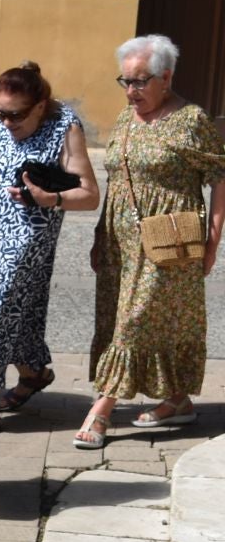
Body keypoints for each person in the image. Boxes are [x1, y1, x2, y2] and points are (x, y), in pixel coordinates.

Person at [76, 34, 225, 449]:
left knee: (133, 323)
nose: (130, 91)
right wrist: (100, 233)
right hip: (119, 240)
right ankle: (177, 400)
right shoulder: (127, 117)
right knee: (119, 318)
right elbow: (118, 178)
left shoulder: (191, 120)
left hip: (168, 240)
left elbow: (220, 177)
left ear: (166, 77)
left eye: (140, 81)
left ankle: (101, 410)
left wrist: (212, 240)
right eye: (124, 81)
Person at [0, 62, 98, 417]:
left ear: (41, 106)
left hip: (28, 240)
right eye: (0, 113)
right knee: (19, 313)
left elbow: (90, 194)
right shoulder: (3, 124)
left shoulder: (64, 127)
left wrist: (51, 199)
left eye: (16, 115)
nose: (7, 122)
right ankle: (33, 373)